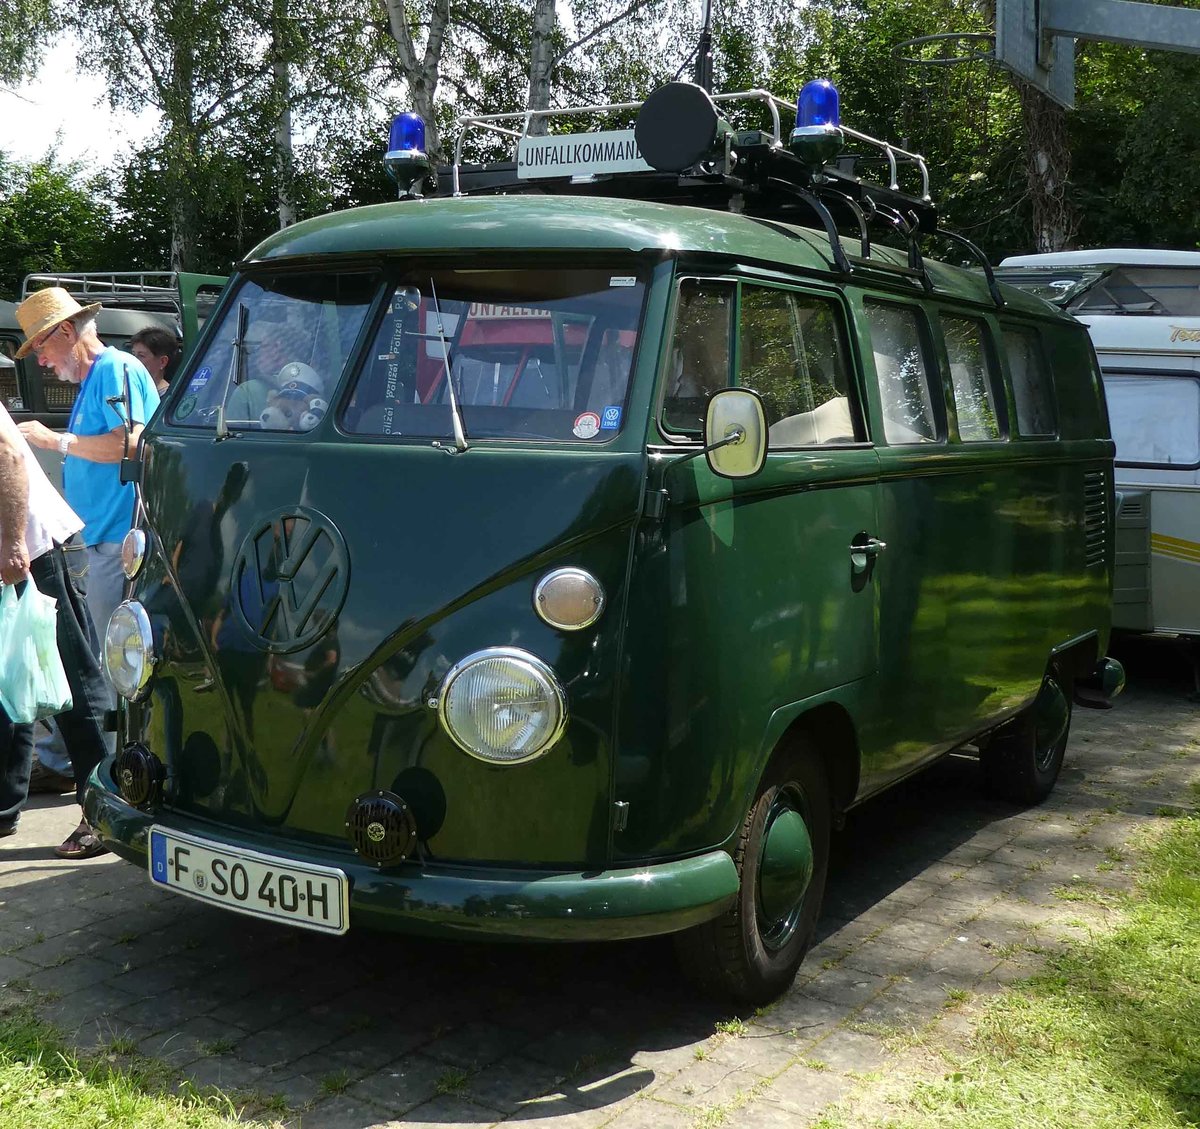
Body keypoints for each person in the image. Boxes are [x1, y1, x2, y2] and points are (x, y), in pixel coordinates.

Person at [0, 401, 112, 858]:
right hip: (17, 557)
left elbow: (8, 458)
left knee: (76, 682)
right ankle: (4, 808)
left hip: (37, 553)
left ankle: (104, 812)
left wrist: (12, 545)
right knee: (11, 683)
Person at [128, 326, 182, 395]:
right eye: (133, 354)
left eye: (141, 355)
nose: (134, 360)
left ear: (163, 362)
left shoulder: (169, 398)